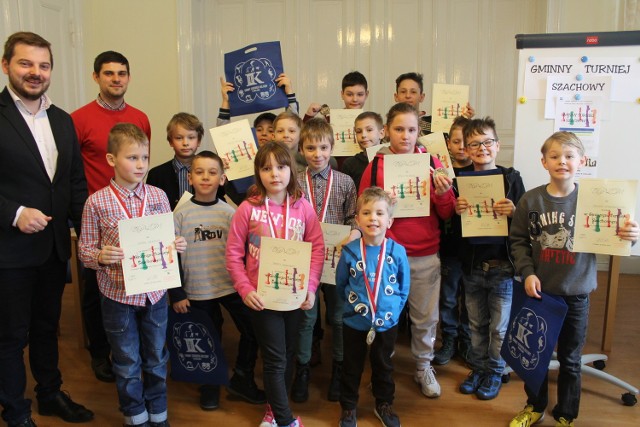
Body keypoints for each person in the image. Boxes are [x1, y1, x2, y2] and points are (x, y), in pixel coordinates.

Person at [508, 131, 639, 427]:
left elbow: (615, 238)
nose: (562, 162)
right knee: (536, 355)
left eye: (569, 156)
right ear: (543, 162)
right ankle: (535, 405)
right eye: (554, 156)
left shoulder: (595, 201)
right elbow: (518, 242)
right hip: (539, 292)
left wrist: (629, 236)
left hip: (577, 293)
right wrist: (527, 273)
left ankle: (566, 413)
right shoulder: (531, 200)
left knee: (569, 359)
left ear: (582, 161)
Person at [0, 31, 94, 427]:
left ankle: (50, 393)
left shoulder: (62, 119)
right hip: (9, 252)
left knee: (46, 328)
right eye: (25, 63)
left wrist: (88, 233)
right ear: (6, 66)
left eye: (43, 65)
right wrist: (15, 211)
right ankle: (16, 411)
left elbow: (73, 182)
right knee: (9, 338)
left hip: (55, 249)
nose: (35, 73)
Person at [79, 123, 187, 427]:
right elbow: (84, 250)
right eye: (132, 158)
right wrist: (100, 256)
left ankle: (158, 413)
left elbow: (167, 240)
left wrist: (175, 244)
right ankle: (135, 416)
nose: (140, 165)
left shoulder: (159, 197)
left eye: (145, 158)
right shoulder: (96, 203)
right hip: (117, 295)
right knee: (126, 360)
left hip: (155, 295)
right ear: (112, 159)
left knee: (156, 356)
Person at [359, 102, 457, 399]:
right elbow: (362, 211)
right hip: (386, 254)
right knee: (384, 315)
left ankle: (423, 366)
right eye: (399, 129)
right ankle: (381, 369)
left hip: (425, 254)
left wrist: (442, 194)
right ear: (386, 131)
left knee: (425, 317)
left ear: (419, 131)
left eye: (412, 130)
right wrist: (381, 206)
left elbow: (448, 212)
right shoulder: (376, 165)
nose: (406, 136)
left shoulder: (432, 163)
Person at [225, 141, 324, 427]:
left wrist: (311, 287)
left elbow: (316, 248)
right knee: (275, 358)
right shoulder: (247, 209)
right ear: (258, 173)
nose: (275, 174)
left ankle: (273, 409)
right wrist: (245, 290)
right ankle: (285, 420)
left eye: (281, 167)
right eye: (266, 168)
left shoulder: (303, 208)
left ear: (291, 170)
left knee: (288, 354)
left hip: (294, 295)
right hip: (262, 297)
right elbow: (233, 254)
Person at [71, 50, 151, 383]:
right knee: (96, 288)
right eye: (108, 73)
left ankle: (140, 349)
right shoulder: (78, 119)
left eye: (122, 73)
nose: (116, 79)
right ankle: (100, 352)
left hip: (135, 214)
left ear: (129, 77)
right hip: (97, 213)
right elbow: (73, 171)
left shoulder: (140, 117)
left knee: (139, 284)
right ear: (96, 77)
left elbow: (142, 167)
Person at [171, 150, 266, 410]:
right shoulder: (179, 214)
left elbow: (243, 251)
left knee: (252, 329)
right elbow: (171, 258)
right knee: (207, 340)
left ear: (222, 179)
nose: (205, 177)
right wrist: (177, 293)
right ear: (190, 178)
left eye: (212, 173)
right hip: (197, 290)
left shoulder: (230, 213)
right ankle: (209, 385)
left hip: (229, 285)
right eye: (199, 172)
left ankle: (242, 378)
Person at [455, 117, 525, 401]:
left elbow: (526, 221)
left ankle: (495, 371)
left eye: (487, 142)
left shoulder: (511, 178)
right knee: (476, 323)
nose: (482, 148)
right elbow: (452, 226)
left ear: (497, 145)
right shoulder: (459, 181)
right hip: (472, 267)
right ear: (467, 150)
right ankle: (478, 368)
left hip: (503, 268)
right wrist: (454, 208)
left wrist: (514, 210)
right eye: (474, 144)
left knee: (499, 327)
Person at [291, 118, 359, 403]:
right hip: (304, 258)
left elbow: (353, 216)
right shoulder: (293, 181)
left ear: (332, 148)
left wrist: (354, 232)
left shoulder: (345, 181)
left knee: (339, 316)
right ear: (301, 149)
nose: (317, 154)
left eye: (323, 147)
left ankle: (340, 371)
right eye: (310, 147)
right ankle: (303, 369)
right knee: (306, 318)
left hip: (336, 258)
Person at [335, 187, 410, 427]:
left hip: (387, 322)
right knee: (351, 366)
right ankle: (348, 408)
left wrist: (393, 312)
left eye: (379, 213)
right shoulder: (349, 251)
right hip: (355, 322)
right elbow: (341, 284)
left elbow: (404, 286)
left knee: (384, 365)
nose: (373, 218)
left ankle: (384, 403)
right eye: (366, 213)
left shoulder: (398, 251)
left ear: (390, 220)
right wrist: (351, 309)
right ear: (357, 219)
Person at [433, 116, 473, 366]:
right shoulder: (441, 173)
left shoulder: (481, 172)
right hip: (448, 246)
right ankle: (448, 338)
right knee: (447, 297)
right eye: (456, 141)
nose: (461, 147)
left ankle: (465, 340)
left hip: (472, 248)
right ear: (448, 143)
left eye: (467, 142)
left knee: (469, 297)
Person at [146, 112, 219, 210]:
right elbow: (151, 209)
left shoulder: (210, 171)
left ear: (199, 141)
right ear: (171, 141)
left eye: (191, 137)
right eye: (179, 138)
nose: (185, 143)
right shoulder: (156, 175)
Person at [393, 72, 473, 136]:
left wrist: (465, 121)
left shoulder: (435, 123)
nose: (408, 96)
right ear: (396, 97)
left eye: (413, 92)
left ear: (421, 97)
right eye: (403, 92)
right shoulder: (389, 126)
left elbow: (458, 143)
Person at [340, 111, 385, 190]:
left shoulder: (390, 159)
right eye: (359, 131)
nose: (363, 135)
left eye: (369, 130)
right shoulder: (350, 164)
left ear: (381, 133)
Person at [303, 71, 369, 122]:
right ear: (342, 94)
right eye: (349, 94)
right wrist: (309, 116)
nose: (355, 99)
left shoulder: (372, 121)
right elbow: (303, 137)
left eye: (360, 94)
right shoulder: (330, 119)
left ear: (366, 95)